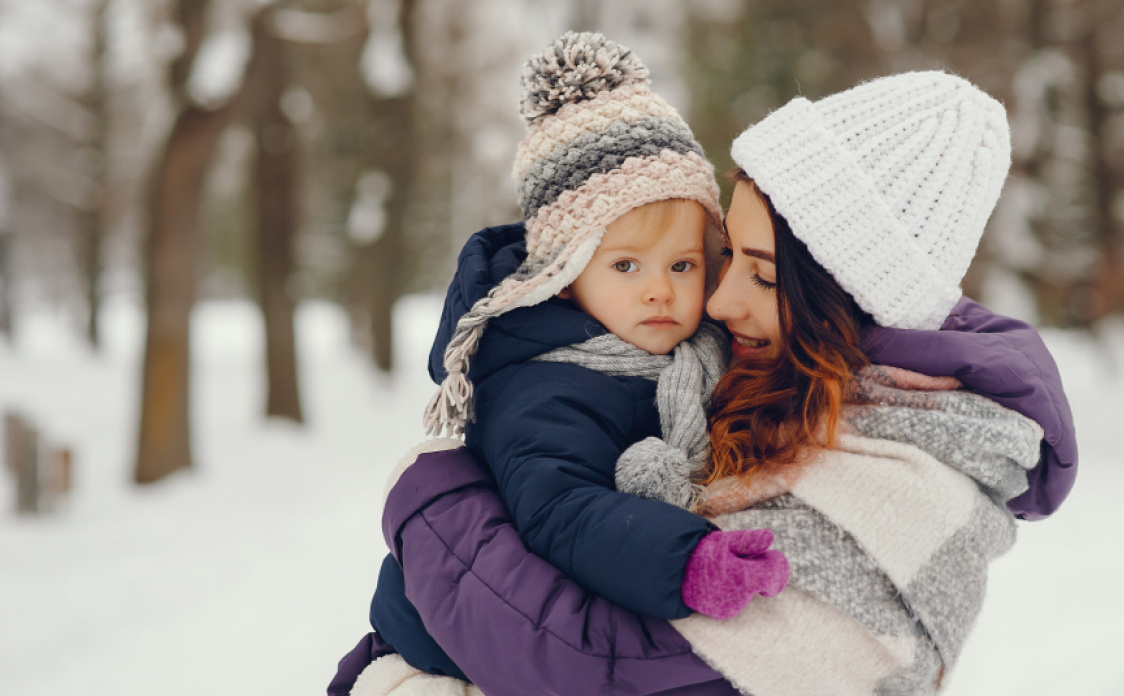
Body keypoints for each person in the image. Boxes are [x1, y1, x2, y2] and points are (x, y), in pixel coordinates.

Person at [332, 70, 1078, 696]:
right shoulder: (774, 378)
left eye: (754, 272)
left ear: (844, 297)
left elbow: (594, 661)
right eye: (727, 261)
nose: (716, 305)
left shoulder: (892, 484)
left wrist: (432, 498)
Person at [348, 31, 792, 687]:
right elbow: (558, 509)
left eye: (682, 264)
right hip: (456, 643)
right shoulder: (544, 384)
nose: (659, 289)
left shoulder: (699, 355)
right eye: (625, 265)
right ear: (564, 274)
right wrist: (687, 563)